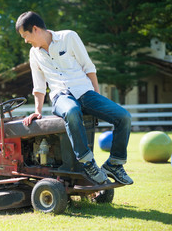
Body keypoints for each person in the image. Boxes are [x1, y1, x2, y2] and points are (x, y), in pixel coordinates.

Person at [15, 11, 133, 185]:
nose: (25, 41)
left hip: (85, 91)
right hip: (60, 97)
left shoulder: (69, 37)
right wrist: (37, 111)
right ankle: (87, 162)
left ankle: (114, 164)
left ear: (35, 29)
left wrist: (97, 96)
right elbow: (39, 86)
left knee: (124, 117)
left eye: (25, 35)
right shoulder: (34, 54)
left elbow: (88, 67)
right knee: (71, 111)